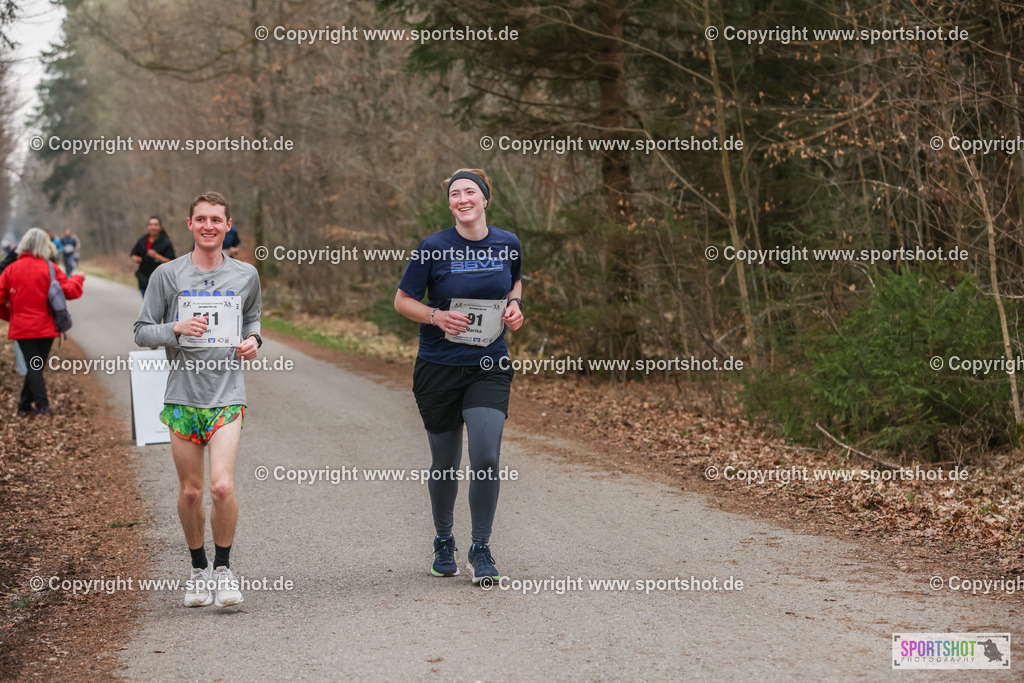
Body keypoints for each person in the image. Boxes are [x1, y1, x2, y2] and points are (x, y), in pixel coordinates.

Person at [394, 168, 524, 585]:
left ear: (485, 199)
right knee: (446, 463)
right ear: (450, 203)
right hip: (439, 367)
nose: (462, 198)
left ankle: (481, 547)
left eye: (470, 191)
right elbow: (402, 300)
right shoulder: (433, 248)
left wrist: (515, 307)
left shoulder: (507, 242)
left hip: (489, 364)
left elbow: (515, 281)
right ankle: (444, 540)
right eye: (455, 193)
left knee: (486, 456)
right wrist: (435, 316)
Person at [133, 191, 262, 609]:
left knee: (222, 486)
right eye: (201, 219)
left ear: (228, 226)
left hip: (227, 395)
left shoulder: (245, 275)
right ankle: (197, 570)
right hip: (182, 398)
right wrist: (176, 328)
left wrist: (254, 340)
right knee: (190, 493)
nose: (209, 226)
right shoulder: (167, 276)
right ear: (189, 225)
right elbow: (141, 330)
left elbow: (254, 318)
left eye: (216, 220)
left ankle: (223, 570)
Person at [0, 228, 86, 417]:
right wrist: (78, 278)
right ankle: (42, 405)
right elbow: (70, 291)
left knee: (34, 366)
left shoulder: (10, 269)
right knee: (36, 366)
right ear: (44, 245)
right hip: (46, 327)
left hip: (21, 327)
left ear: (23, 245)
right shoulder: (50, 268)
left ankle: (23, 407)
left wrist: (11, 315)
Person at [131, 216, 176, 298]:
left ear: (160, 227)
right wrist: (135, 258)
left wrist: (157, 256)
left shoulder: (165, 242)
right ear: (148, 227)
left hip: (159, 280)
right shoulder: (142, 240)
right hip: (144, 279)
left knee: (158, 307)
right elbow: (133, 253)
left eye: (156, 225)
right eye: (151, 225)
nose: (153, 227)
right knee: (147, 305)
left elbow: (172, 262)